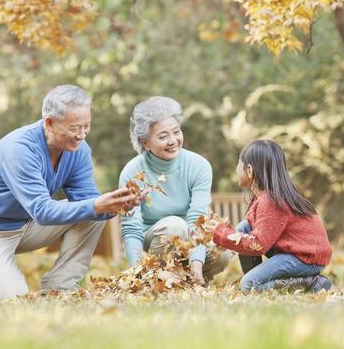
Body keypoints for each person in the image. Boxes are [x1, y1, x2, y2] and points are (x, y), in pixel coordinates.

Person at [0, 85, 141, 299]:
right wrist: (97, 205)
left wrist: (114, 206)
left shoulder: (79, 150)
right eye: (75, 127)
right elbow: (42, 211)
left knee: (93, 214)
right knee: (14, 299)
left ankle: (60, 287)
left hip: (23, 225)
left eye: (86, 126)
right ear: (49, 123)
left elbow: (88, 202)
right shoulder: (20, 149)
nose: (81, 134)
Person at [119, 96, 233, 284]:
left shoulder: (199, 166)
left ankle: (189, 282)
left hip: (189, 239)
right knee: (174, 225)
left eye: (176, 132)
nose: (173, 140)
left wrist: (196, 265)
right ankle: (155, 279)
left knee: (223, 251)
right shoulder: (132, 173)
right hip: (154, 244)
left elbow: (198, 218)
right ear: (144, 142)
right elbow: (132, 228)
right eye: (163, 136)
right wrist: (137, 272)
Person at [208, 139, 332, 293]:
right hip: (294, 252)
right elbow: (249, 233)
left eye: (239, 163)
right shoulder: (264, 197)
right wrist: (224, 236)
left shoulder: (271, 202)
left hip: (305, 257)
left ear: (249, 170)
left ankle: (311, 283)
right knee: (243, 227)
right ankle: (255, 281)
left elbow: (258, 244)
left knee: (248, 285)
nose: (236, 169)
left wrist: (223, 233)